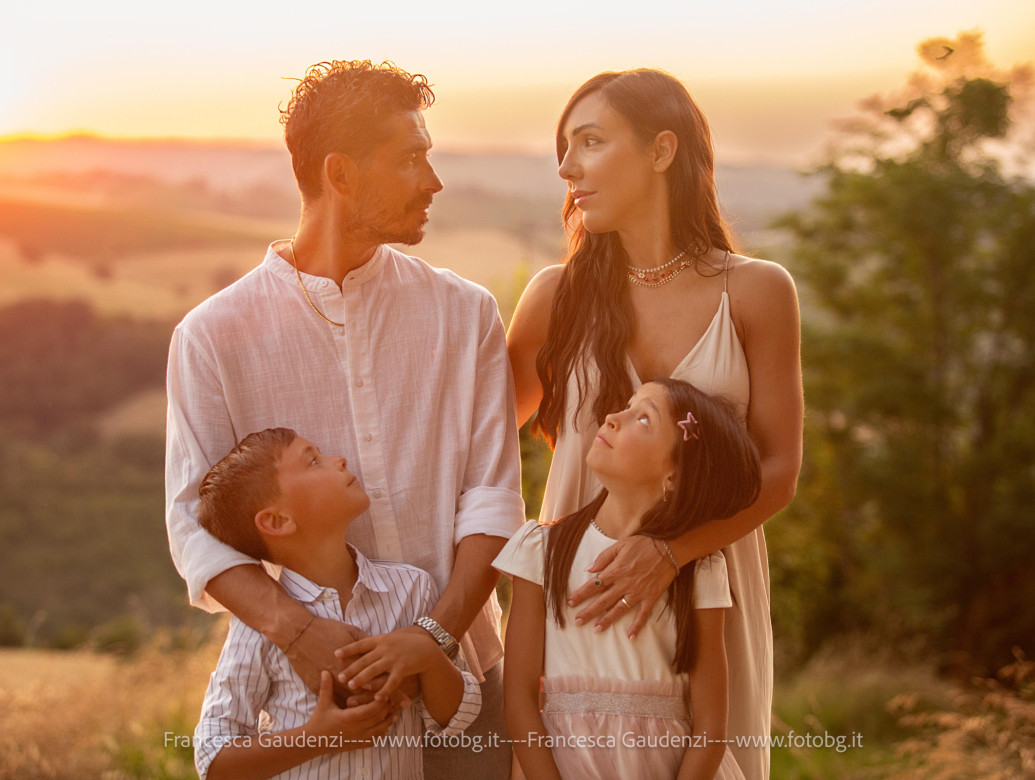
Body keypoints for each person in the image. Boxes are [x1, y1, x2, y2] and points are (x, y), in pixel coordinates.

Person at [165, 60, 523, 779]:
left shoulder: (466, 314)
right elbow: (194, 527)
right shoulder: (210, 336)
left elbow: (493, 500)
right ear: (340, 173)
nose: (434, 181)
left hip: (466, 684)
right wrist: (297, 633)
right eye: (411, 158)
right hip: (315, 702)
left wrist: (434, 636)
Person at [505, 68, 803, 779]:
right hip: (579, 599)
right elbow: (474, 441)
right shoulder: (556, 296)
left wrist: (674, 553)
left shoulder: (758, 291)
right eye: (564, 146)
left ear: (662, 150)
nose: (566, 166)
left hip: (710, 597)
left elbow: (780, 470)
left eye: (590, 141)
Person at [497, 379, 761, 779]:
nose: (612, 417)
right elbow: (518, 697)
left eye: (642, 418)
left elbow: (711, 723)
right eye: (626, 405)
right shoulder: (541, 550)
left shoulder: (699, 570)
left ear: (674, 474)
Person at [193, 428, 482, 779]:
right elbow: (213, 758)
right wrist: (317, 739)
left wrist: (428, 655)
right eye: (313, 461)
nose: (339, 459)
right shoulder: (257, 625)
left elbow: (459, 717)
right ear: (277, 521)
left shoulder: (413, 588)